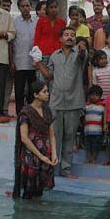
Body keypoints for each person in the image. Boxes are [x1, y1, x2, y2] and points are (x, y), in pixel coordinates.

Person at [34, 27, 88, 178]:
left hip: (74, 102)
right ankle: (52, 167)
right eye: (66, 35)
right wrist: (38, 64)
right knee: (54, 136)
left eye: (72, 35)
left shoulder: (79, 54)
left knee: (70, 137)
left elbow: (83, 58)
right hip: (56, 102)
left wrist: (82, 49)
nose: (69, 37)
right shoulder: (54, 56)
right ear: (60, 39)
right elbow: (49, 76)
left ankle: (66, 169)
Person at [13, 81, 56, 199]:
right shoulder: (26, 113)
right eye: (45, 91)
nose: (48, 94)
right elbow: (24, 138)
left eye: (47, 91)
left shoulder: (47, 111)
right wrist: (40, 156)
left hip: (45, 157)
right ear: (36, 95)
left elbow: (51, 134)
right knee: (28, 193)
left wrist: (54, 155)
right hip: (31, 158)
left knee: (39, 193)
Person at [11, 0, 37, 114]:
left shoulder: (37, 22)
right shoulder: (14, 22)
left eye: (27, 5)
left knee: (33, 92)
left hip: (34, 64)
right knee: (19, 92)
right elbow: (10, 44)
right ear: (19, 8)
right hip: (19, 62)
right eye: (23, 6)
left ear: (31, 6)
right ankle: (20, 115)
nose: (25, 8)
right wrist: (11, 62)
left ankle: (31, 115)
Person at [33, 0, 66, 65]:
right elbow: (36, 39)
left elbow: (63, 39)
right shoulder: (41, 21)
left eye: (55, 7)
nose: (54, 9)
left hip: (57, 54)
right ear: (47, 9)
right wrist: (35, 58)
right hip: (42, 54)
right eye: (51, 7)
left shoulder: (62, 23)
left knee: (56, 75)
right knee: (42, 75)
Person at [84, 85, 105, 164]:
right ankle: (89, 158)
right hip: (87, 131)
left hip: (97, 131)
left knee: (96, 146)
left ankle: (94, 158)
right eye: (92, 95)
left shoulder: (102, 107)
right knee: (88, 146)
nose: (94, 97)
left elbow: (104, 119)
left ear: (100, 96)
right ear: (89, 95)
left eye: (96, 95)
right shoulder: (86, 106)